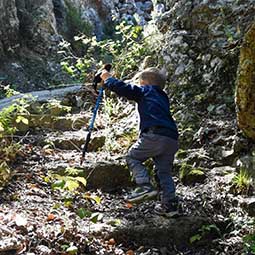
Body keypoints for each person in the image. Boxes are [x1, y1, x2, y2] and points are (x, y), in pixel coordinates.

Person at [100, 67, 179, 217]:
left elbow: (123, 88)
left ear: (144, 82)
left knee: (132, 157)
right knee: (164, 172)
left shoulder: (145, 91)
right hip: (171, 138)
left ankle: (144, 186)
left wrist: (107, 78)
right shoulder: (163, 97)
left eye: (139, 81)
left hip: (154, 134)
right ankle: (170, 205)